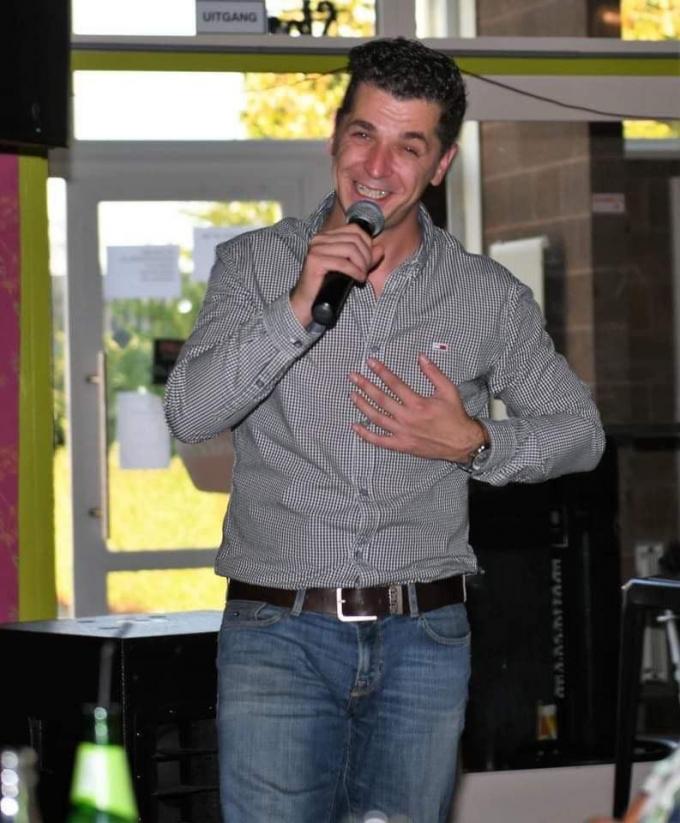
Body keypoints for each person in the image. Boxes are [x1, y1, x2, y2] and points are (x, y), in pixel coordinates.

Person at [164, 37, 605, 823]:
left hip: (424, 642)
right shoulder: (255, 266)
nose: (376, 166)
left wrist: (475, 442)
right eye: (364, 133)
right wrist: (296, 308)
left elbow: (581, 432)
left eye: (409, 146)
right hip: (278, 634)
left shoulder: (486, 296)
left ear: (441, 164)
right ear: (335, 136)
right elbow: (190, 412)